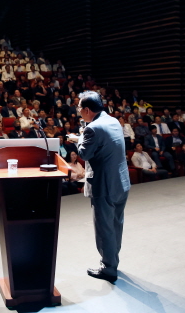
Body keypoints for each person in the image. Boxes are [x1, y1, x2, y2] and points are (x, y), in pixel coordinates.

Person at [76, 91, 131, 283]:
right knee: (116, 224)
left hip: (104, 185)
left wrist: (80, 137)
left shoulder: (92, 129)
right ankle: (113, 260)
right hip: (121, 182)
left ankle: (108, 268)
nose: (78, 111)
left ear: (87, 110)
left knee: (104, 228)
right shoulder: (113, 121)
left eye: (79, 108)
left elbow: (84, 154)